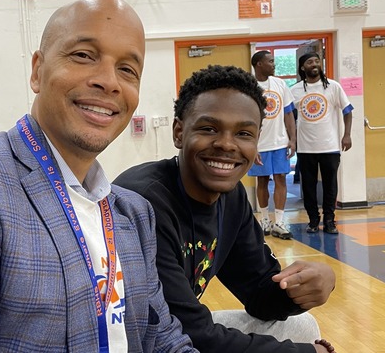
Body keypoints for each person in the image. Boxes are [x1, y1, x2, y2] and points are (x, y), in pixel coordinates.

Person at [0, 0, 196, 352]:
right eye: (83, 55)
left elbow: (163, 339)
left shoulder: (134, 213)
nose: (109, 82)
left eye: (128, 70)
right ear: (37, 71)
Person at [114, 65, 337, 353]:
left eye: (244, 133)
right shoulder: (142, 202)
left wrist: (305, 288)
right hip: (134, 341)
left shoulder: (230, 198)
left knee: (301, 326)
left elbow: (259, 294)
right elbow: (184, 333)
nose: (226, 145)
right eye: (209, 129)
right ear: (179, 132)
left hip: (180, 331)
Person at [290, 52, 353, 234]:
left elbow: (347, 111)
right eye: (310, 62)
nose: (314, 64)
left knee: (330, 185)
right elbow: (287, 116)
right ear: (303, 67)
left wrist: (347, 135)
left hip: (330, 146)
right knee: (308, 187)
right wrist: (291, 139)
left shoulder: (333, 87)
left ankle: (329, 220)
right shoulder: (295, 90)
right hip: (305, 147)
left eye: (317, 61)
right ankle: (312, 220)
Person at [248, 50, 297, 239]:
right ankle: (264, 220)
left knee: (281, 180)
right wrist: (252, 145)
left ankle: (279, 221)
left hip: (280, 142)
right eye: (270, 61)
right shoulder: (250, 86)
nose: (274, 64)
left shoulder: (280, 84)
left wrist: (292, 140)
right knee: (261, 181)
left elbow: (288, 113)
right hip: (260, 144)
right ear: (259, 64)